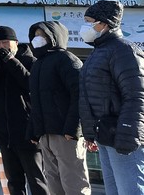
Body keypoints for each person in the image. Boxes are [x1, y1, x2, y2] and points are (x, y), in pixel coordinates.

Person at [79, 0, 144, 194]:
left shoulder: (124, 50)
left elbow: (137, 96)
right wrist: (90, 133)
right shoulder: (98, 53)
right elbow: (89, 97)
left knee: (131, 190)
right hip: (106, 135)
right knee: (114, 190)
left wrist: (127, 134)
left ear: (105, 24)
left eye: (90, 21)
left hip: (122, 136)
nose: (85, 26)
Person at [0, 26, 48, 195]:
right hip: (5, 133)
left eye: (6, 42)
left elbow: (31, 85)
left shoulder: (31, 61)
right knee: (14, 183)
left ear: (16, 42)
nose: (2, 46)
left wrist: (12, 61)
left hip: (28, 133)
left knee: (37, 180)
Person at [27, 21, 90, 195]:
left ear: (54, 37)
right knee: (53, 181)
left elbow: (80, 94)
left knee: (74, 182)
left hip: (65, 134)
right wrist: (34, 130)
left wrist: (73, 128)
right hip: (46, 134)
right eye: (36, 35)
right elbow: (36, 101)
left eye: (42, 35)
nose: (37, 39)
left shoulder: (67, 59)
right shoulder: (38, 64)